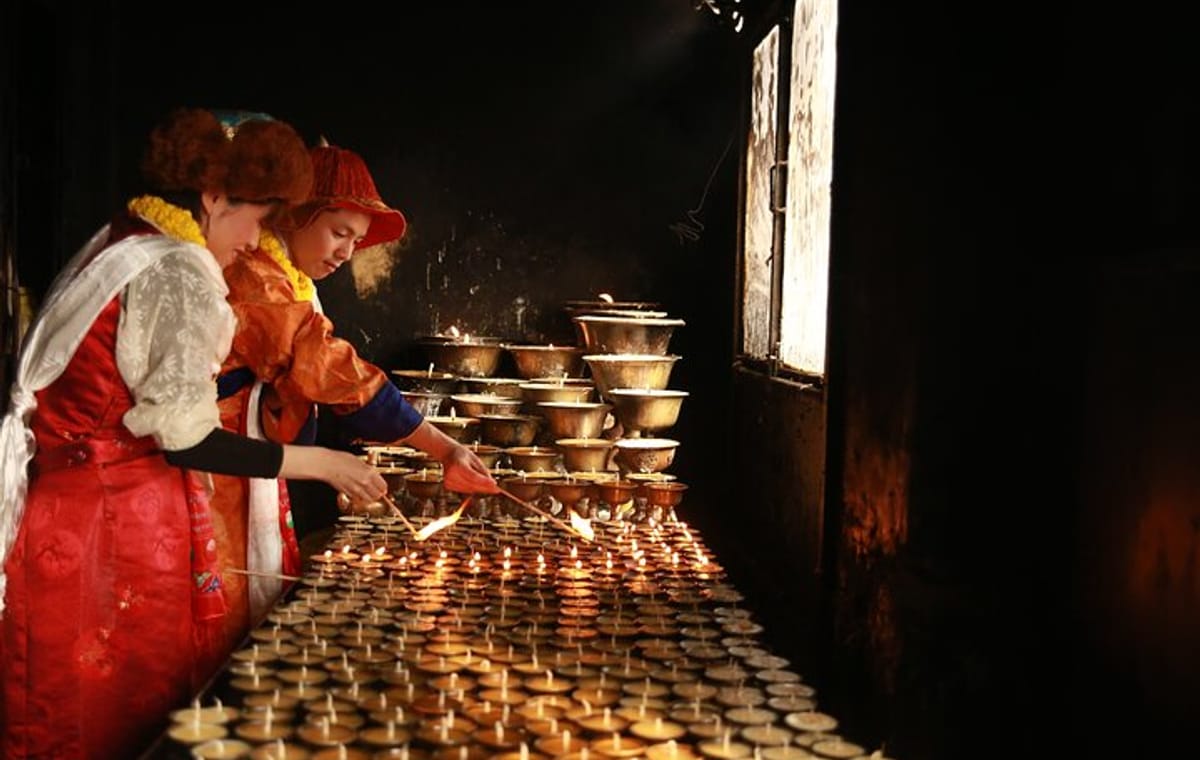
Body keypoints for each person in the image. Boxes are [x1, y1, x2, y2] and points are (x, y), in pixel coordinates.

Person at [0, 107, 388, 760]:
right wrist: (322, 463)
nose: (257, 239)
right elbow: (187, 439)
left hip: (67, 512)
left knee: (70, 708)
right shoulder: (177, 270)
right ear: (212, 197)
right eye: (259, 218)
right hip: (111, 530)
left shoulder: (126, 237)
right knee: (117, 718)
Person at [212, 140, 499, 651]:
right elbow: (325, 367)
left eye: (357, 240)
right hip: (211, 458)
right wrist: (442, 448)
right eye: (339, 232)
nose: (347, 253)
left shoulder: (289, 278)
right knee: (216, 599)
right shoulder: (255, 275)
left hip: (240, 454)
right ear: (295, 214)